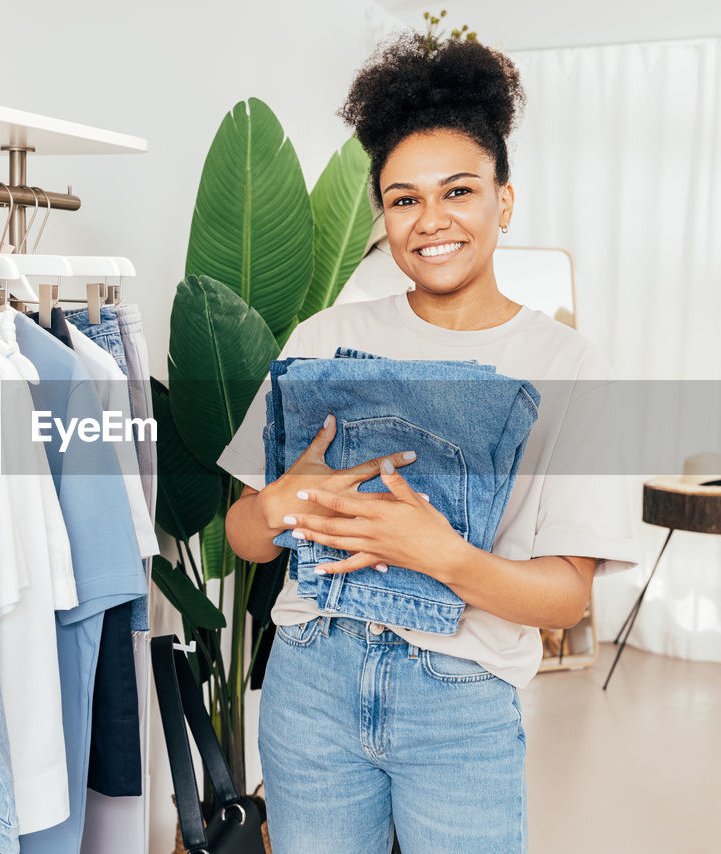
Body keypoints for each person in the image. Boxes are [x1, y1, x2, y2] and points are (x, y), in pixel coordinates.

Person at [218, 32, 640, 853]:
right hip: (312, 684)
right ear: (383, 212)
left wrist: (436, 553)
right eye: (404, 199)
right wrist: (277, 504)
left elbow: (565, 598)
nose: (431, 221)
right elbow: (246, 537)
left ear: (503, 202)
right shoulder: (323, 336)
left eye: (458, 191)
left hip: (459, 699)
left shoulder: (568, 365)